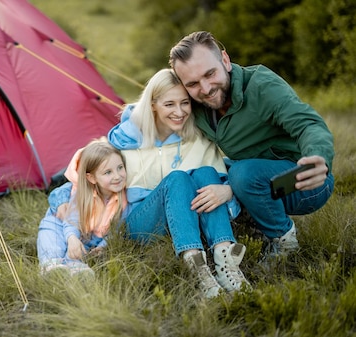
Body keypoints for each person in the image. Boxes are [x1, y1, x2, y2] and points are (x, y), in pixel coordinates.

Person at [50, 69, 249, 298]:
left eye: (185, 103)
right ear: (153, 104)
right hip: (138, 222)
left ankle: (225, 260)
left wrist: (228, 190)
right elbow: (91, 173)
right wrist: (60, 200)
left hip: (187, 216)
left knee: (205, 172)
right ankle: (196, 266)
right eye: (169, 104)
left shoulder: (198, 138)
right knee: (177, 178)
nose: (179, 112)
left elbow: (220, 177)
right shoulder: (126, 139)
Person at [169, 31, 335, 260]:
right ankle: (240, 228)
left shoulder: (261, 85)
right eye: (193, 83)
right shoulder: (194, 104)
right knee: (202, 173)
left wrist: (319, 158)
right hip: (255, 175)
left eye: (210, 74)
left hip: (304, 180)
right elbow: (156, 111)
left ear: (225, 60)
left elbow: (308, 124)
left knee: (241, 174)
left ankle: (283, 240)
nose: (206, 88)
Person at [37, 138, 128, 276]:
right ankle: (52, 265)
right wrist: (72, 238)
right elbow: (72, 220)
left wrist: (104, 245)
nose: (117, 176)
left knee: (81, 248)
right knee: (51, 235)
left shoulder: (123, 199)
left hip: (88, 238)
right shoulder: (83, 193)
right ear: (92, 178)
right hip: (62, 225)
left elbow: (118, 228)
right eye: (108, 172)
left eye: (120, 168)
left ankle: (76, 268)